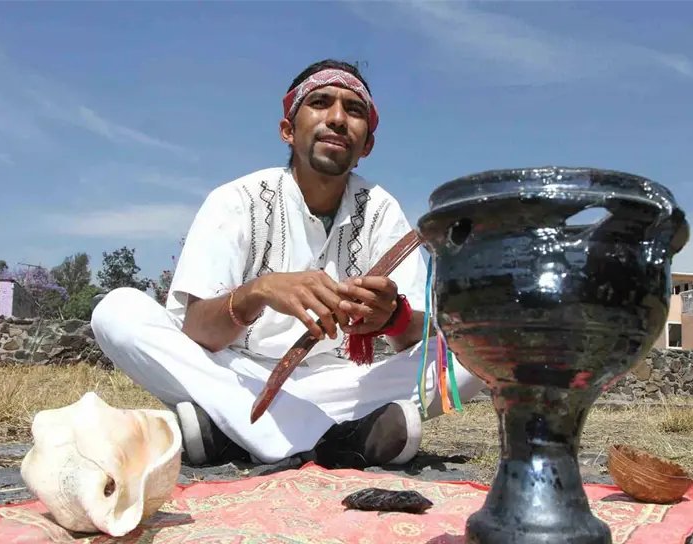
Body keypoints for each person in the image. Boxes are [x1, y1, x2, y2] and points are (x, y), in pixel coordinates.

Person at [91, 59, 484, 469]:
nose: (336, 118)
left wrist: (394, 318)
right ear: (287, 131)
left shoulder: (382, 209)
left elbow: (417, 341)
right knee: (116, 311)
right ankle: (338, 440)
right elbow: (197, 332)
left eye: (353, 110)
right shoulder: (236, 199)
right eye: (320, 102)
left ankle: (232, 434)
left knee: (469, 353)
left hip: (339, 384)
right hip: (235, 373)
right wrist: (257, 292)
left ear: (366, 144)